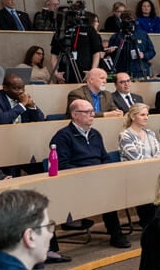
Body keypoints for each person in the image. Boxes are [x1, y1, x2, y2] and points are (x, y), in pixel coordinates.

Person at [50, 100, 132, 248]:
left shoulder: (95, 134)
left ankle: (116, 235)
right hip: (76, 180)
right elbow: (62, 165)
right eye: (87, 112)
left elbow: (104, 157)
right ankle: (116, 233)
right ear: (75, 115)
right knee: (106, 191)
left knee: (112, 187)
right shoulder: (62, 136)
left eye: (92, 111)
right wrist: (87, 174)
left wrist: (107, 171)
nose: (92, 115)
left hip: (98, 177)